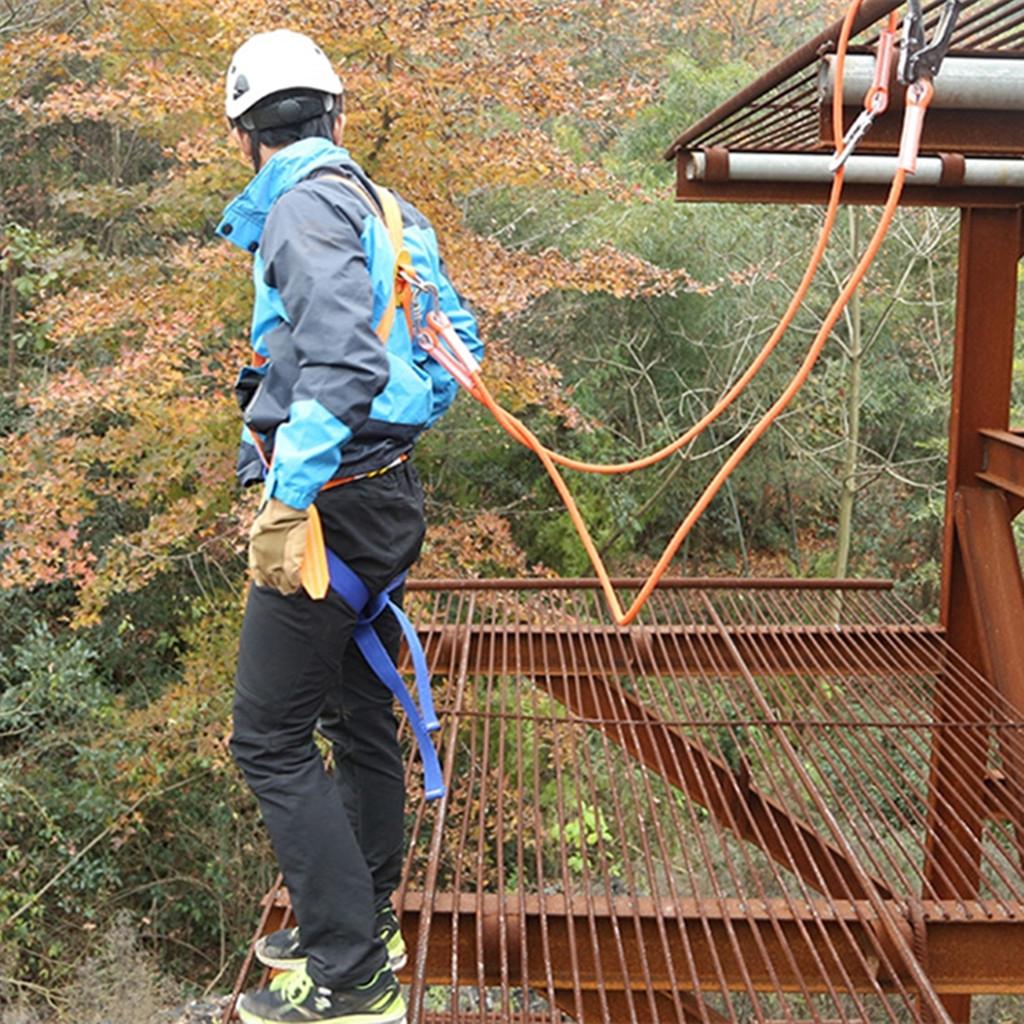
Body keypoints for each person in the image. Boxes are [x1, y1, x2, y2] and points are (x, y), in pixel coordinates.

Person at [217, 28, 483, 1024]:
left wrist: (292, 492)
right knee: (357, 710)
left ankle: (350, 976)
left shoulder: (296, 207)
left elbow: (341, 362)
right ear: (333, 113)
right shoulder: (385, 208)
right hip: (384, 494)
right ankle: (366, 914)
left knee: (268, 739)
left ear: (246, 133)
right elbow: (461, 349)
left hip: (329, 510)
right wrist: (383, 447)